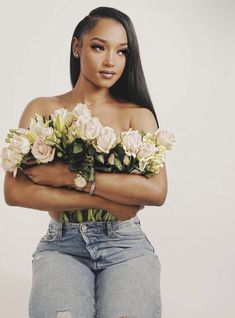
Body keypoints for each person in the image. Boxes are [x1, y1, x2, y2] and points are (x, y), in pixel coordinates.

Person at [4, 6, 167, 318]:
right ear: (77, 47)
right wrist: (109, 201)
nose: (110, 61)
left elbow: (155, 191)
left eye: (121, 52)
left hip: (126, 247)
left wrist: (68, 176)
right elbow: (15, 192)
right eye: (98, 47)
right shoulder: (43, 109)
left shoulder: (137, 114)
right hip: (62, 245)